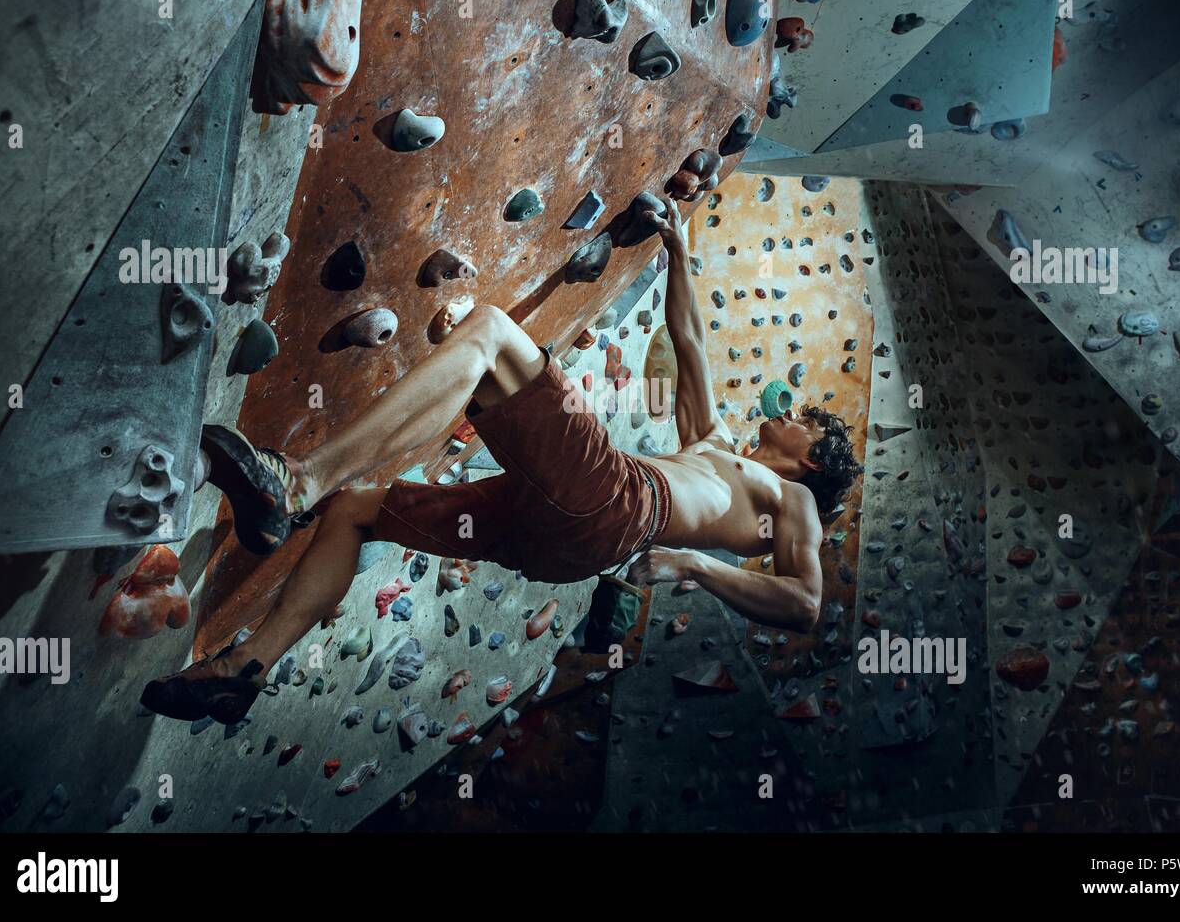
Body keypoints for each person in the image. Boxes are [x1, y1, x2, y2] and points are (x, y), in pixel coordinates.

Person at [140, 195, 862, 724]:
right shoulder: (715, 447)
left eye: (808, 423)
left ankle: (294, 482)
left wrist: (695, 567)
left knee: (489, 332)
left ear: (809, 465)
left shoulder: (790, 503)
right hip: (564, 538)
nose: (793, 415)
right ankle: (247, 665)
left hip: (618, 504)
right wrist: (677, 250)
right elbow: (693, 342)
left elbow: (804, 604)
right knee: (358, 513)